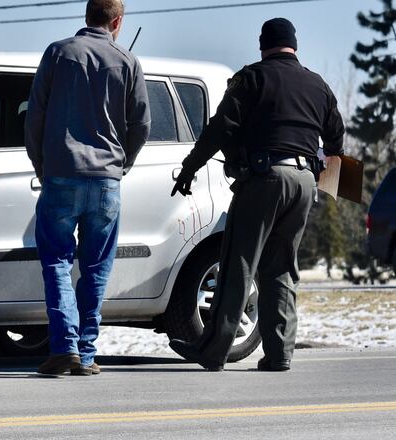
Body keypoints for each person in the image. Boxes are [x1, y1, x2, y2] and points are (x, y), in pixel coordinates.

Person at [169, 18, 345, 372]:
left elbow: (220, 128)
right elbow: (337, 142)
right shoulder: (318, 85)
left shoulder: (252, 77)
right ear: (294, 45)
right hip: (304, 182)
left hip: (265, 178)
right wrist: (325, 185)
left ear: (263, 44)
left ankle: (214, 350)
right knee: (281, 269)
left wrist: (189, 168)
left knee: (239, 263)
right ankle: (280, 354)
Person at [25, 0, 151, 376]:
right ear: (117, 21)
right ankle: (87, 351)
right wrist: (120, 164)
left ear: (86, 16)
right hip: (106, 181)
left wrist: (42, 165)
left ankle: (64, 349)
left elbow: (35, 116)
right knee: (96, 266)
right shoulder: (128, 61)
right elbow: (141, 125)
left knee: (57, 261)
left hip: (61, 173)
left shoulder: (58, 53)